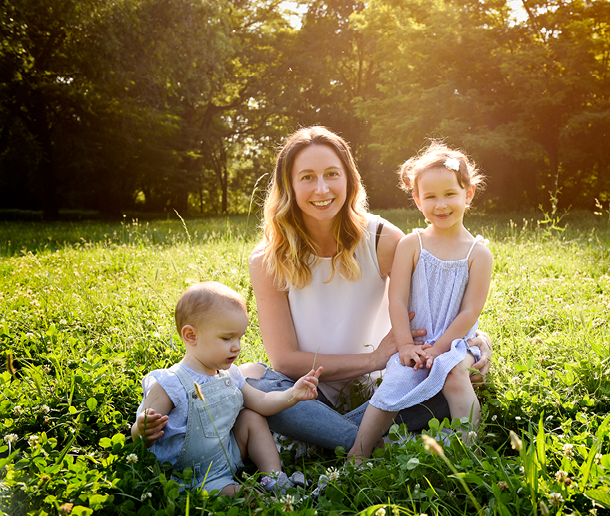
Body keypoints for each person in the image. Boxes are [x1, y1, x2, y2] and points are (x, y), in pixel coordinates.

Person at [240, 126, 493, 451]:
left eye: (332, 174)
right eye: (306, 177)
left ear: (349, 179)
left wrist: (479, 340)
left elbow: (438, 301)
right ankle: (372, 444)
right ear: (288, 184)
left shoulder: (381, 239)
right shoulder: (267, 258)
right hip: (305, 389)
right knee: (250, 382)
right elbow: (285, 360)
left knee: (448, 381)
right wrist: (372, 358)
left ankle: (337, 438)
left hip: (385, 387)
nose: (321, 188)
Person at [348, 142, 491, 461]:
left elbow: (471, 310)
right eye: (430, 197)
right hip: (416, 339)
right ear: (417, 200)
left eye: (449, 194)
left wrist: (440, 349)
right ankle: (358, 453)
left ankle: (467, 451)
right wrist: (405, 346)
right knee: (394, 382)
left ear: (467, 194)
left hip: (457, 342)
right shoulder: (412, 244)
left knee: (454, 375)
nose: (440, 204)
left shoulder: (478, 254)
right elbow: (396, 300)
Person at [131, 281, 322, 496]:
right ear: (191, 336)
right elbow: (138, 436)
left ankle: (274, 478)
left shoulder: (230, 375)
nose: (237, 347)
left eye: (239, 337)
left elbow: (262, 403)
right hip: (191, 476)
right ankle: (259, 496)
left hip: (227, 455)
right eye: (227, 338)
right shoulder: (170, 384)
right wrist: (143, 429)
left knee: (252, 417)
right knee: (247, 496)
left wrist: (293, 393)